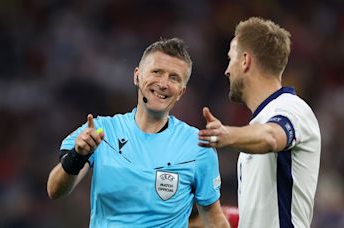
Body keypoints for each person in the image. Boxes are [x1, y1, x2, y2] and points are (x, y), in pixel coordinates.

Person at [47, 38, 229, 228]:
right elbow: (54, 190)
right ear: (137, 76)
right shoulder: (101, 131)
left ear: (181, 92)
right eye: (156, 72)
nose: (163, 83)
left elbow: (214, 219)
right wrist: (78, 155)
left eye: (174, 78)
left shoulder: (197, 146)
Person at [199, 17, 321, 228]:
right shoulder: (259, 123)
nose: (227, 70)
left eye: (230, 59)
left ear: (245, 61)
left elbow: (272, 137)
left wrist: (227, 135)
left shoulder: (292, 108)